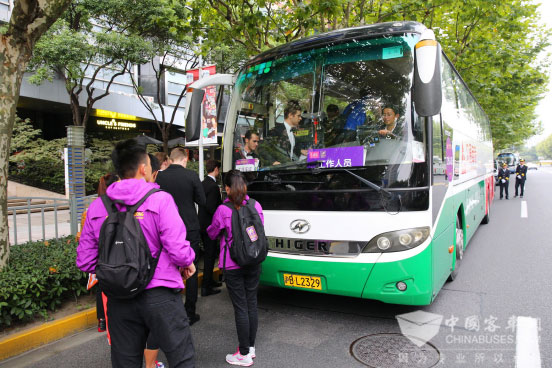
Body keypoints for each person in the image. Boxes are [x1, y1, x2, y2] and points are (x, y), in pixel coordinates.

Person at [76, 139, 196, 367]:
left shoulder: (97, 207)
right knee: (182, 359)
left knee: (126, 363)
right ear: (144, 168)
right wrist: (188, 262)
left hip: (119, 299)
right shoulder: (160, 200)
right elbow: (179, 251)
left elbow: (85, 261)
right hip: (160, 296)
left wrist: (118, 271)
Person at [207, 170, 264, 367]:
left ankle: (244, 353)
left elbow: (213, 233)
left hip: (232, 264)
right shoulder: (256, 205)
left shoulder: (224, 210)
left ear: (228, 188)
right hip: (254, 260)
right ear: (245, 186)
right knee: (251, 303)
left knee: (241, 307)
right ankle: (251, 347)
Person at [156, 147, 206, 325]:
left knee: (168, 266)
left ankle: (169, 310)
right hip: (189, 227)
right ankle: (190, 312)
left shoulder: (159, 177)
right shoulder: (191, 176)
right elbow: (202, 201)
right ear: (184, 160)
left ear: (170, 159)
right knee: (190, 267)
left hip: (166, 227)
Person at [198, 160, 223, 297]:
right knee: (210, 255)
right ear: (215, 169)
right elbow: (211, 207)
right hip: (209, 226)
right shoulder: (213, 186)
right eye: (218, 169)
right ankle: (206, 287)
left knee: (210, 254)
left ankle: (210, 281)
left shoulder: (202, 183)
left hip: (201, 223)